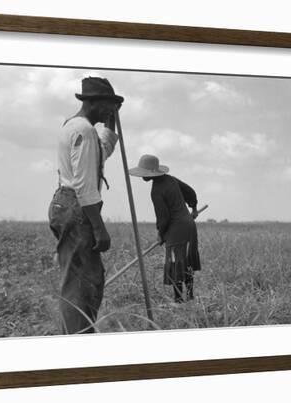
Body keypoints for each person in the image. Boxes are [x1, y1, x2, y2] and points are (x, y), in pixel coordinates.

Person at [48, 77, 124, 334]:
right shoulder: (84, 130)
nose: (108, 111)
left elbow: (104, 148)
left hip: (64, 203)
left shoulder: (74, 125)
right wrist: (99, 227)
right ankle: (79, 344)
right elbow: (84, 184)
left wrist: (112, 116)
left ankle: (77, 335)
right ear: (92, 102)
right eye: (106, 105)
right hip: (77, 206)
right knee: (82, 284)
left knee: (79, 281)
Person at [129, 154, 201, 303]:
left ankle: (178, 300)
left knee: (175, 263)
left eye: (145, 173)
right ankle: (190, 296)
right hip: (189, 225)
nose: (143, 176)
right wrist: (193, 208)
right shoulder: (171, 179)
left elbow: (164, 218)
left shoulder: (156, 190)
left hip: (177, 230)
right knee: (185, 262)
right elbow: (190, 191)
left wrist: (160, 233)